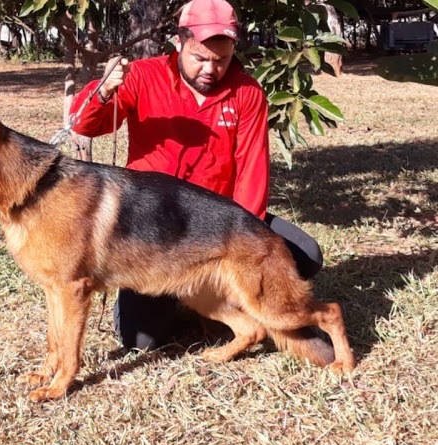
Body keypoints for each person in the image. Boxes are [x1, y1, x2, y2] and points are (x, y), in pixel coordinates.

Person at [69, 0, 323, 351]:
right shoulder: (143, 76)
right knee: (142, 341)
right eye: (200, 58)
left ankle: (221, 297)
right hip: (152, 225)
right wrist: (104, 90)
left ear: (233, 48)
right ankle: (193, 300)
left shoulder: (248, 93)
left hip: (217, 222)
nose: (211, 69)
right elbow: (85, 124)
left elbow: (252, 173)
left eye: (221, 59)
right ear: (179, 43)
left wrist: (244, 247)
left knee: (306, 254)